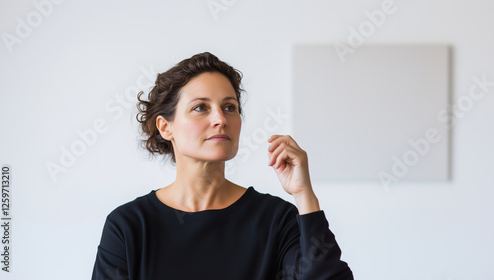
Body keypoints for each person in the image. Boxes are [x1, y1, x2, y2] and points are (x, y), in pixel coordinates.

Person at [91, 52, 353, 280]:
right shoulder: (129, 226)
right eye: (200, 108)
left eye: (229, 107)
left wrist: (304, 195)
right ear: (165, 127)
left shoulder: (276, 220)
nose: (220, 119)